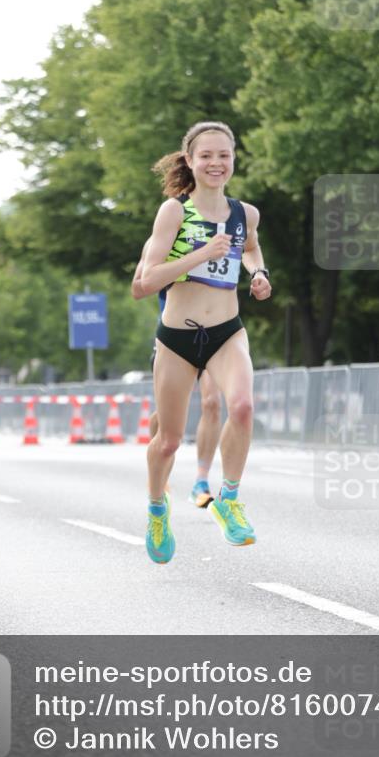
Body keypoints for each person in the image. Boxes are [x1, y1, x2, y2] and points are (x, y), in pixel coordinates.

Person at [140, 121, 272, 563]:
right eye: (206, 156)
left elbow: (250, 247)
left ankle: (229, 500)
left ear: (234, 159)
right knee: (169, 442)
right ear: (191, 161)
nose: (216, 163)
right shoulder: (174, 212)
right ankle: (158, 508)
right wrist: (199, 255)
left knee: (242, 407)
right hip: (177, 337)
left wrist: (257, 273)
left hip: (226, 332)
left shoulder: (244, 214)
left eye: (224, 156)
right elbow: (144, 284)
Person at [132, 240, 222, 509]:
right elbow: (138, 287)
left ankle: (201, 482)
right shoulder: (162, 236)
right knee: (168, 419)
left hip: (213, 334)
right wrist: (185, 262)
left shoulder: (221, 229)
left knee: (212, 402)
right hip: (174, 339)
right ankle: (158, 473)